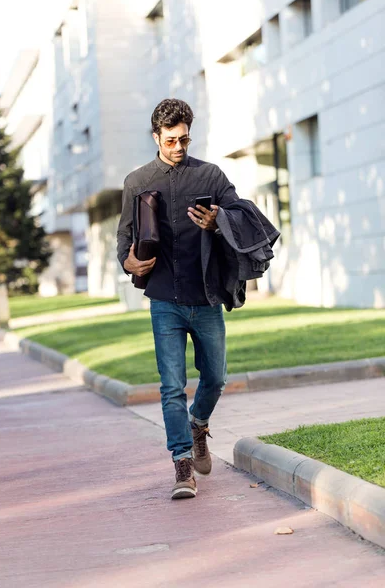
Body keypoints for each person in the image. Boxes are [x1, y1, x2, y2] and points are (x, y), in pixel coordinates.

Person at [117, 98, 278, 500]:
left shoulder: (210, 175)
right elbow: (123, 239)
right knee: (171, 386)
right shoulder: (137, 181)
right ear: (156, 137)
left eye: (185, 139)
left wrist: (218, 221)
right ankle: (183, 465)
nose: (179, 147)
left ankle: (198, 424)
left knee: (217, 377)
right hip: (163, 300)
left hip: (206, 297)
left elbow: (243, 211)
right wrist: (128, 262)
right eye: (171, 140)